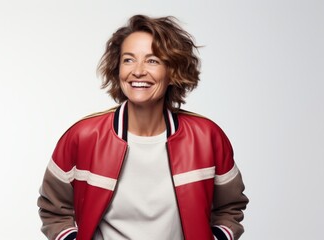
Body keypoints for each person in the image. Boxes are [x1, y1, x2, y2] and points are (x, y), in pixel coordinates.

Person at [37, 14, 249, 240]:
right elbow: (53, 209)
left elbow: (230, 208)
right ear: (117, 68)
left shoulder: (206, 137)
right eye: (128, 59)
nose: (138, 71)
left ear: (172, 71)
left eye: (152, 60)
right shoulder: (83, 136)